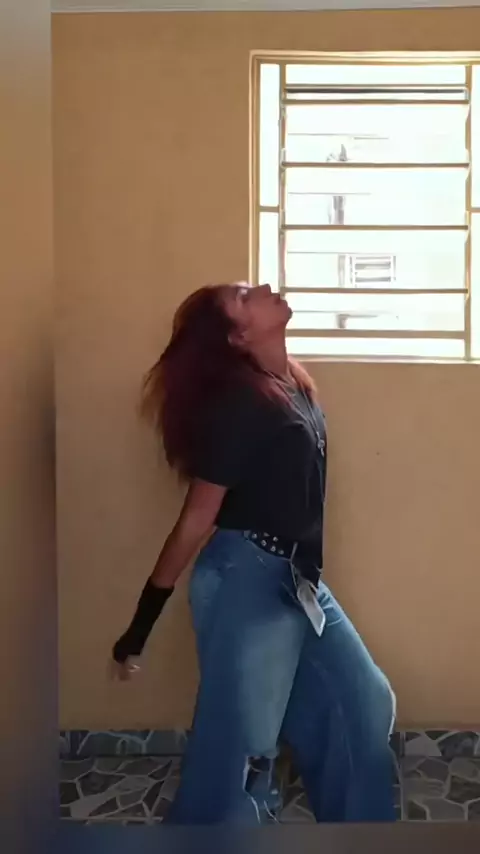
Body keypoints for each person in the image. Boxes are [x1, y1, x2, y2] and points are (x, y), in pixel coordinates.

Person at [111, 282, 396, 826]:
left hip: (296, 580)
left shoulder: (292, 385)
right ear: (237, 336)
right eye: (244, 297)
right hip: (247, 577)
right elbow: (197, 518)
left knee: (364, 702)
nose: (264, 288)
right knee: (242, 753)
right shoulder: (240, 405)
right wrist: (141, 625)